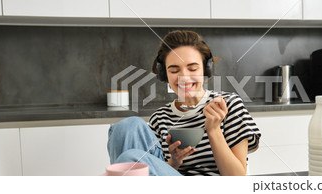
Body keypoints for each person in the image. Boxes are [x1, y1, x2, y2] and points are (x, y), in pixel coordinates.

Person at [107, 30, 261, 176]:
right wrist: (174, 162)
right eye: (174, 71)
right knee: (127, 127)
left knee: (131, 159)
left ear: (206, 69)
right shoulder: (159, 118)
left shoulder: (228, 105)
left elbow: (237, 178)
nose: (184, 77)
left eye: (192, 68)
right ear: (164, 74)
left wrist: (214, 130)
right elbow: (157, 174)